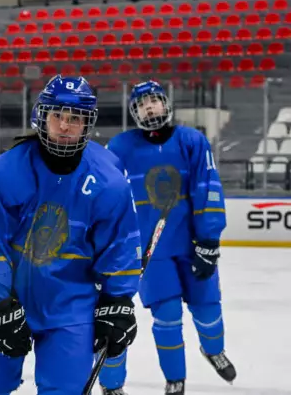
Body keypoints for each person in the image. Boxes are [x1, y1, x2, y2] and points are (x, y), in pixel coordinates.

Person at [0, 75, 142, 394]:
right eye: (57, 115)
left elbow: (120, 244)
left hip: (70, 303)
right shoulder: (5, 171)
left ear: (88, 124)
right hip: (4, 298)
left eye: (75, 118)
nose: (64, 125)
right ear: (42, 116)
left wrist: (117, 299)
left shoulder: (109, 180)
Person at [100, 81, 236, 395]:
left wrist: (209, 240)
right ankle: (176, 379)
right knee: (167, 316)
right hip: (151, 252)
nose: (149, 107)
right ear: (134, 112)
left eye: (154, 101)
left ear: (166, 104)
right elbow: (108, 196)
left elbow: (207, 188)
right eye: (141, 104)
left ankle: (213, 350)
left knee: (208, 308)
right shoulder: (120, 147)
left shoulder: (192, 141)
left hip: (191, 244)